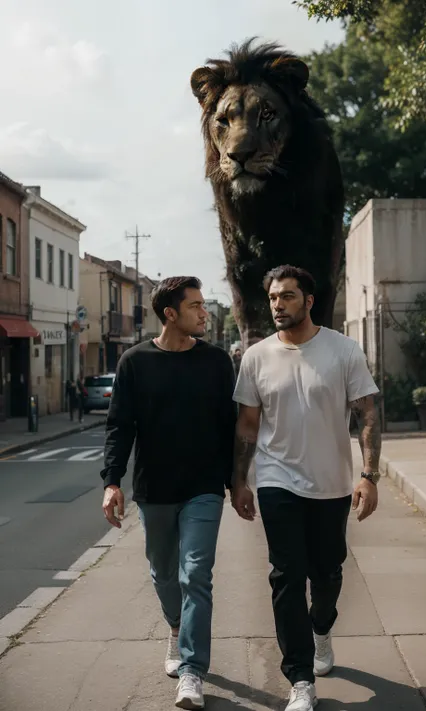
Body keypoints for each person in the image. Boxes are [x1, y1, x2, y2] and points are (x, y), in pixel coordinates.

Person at [231, 265, 381, 711]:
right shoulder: (256, 356)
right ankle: (299, 679)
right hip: (278, 482)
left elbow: (367, 414)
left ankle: (322, 629)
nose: (278, 305)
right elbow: (247, 425)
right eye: (274, 297)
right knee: (286, 576)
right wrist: (240, 480)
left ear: (309, 301)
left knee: (328, 572)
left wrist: (368, 476)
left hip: (332, 483)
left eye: (288, 297)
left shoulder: (343, 350)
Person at [100, 276, 236, 710]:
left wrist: (239, 482)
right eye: (196, 306)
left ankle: (193, 671)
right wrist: (111, 481)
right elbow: (120, 426)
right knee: (163, 572)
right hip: (155, 488)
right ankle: (176, 626)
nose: (205, 313)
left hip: (203, 487)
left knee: (195, 573)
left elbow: (229, 427)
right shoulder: (134, 362)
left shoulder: (216, 361)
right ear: (171, 314)